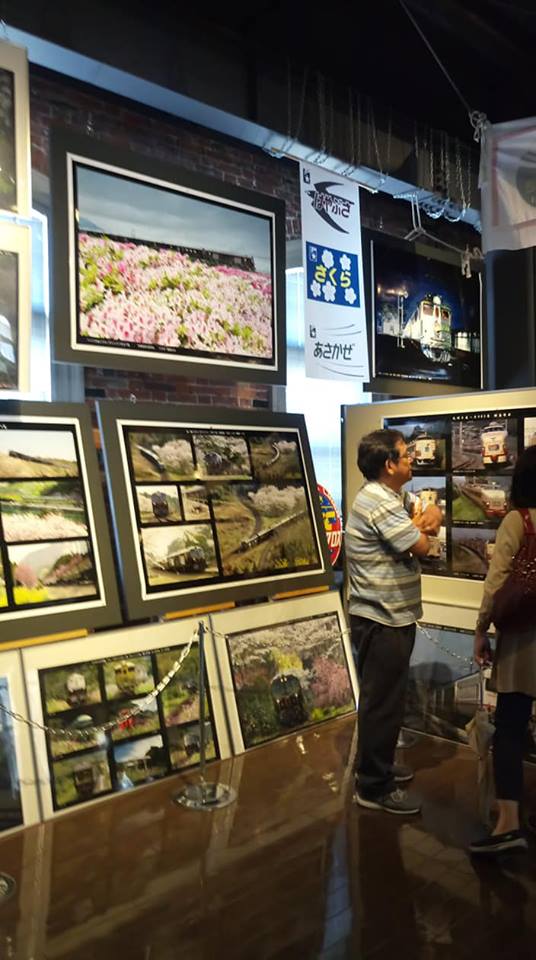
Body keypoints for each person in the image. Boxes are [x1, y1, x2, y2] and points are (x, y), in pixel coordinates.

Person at [345, 428, 442, 815]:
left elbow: (424, 523)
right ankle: (373, 786)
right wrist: (423, 525)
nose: (412, 458)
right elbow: (422, 545)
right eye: (405, 454)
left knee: (387, 699)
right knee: (382, 703)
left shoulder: (390, 497)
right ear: (388, 465)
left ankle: (378, 767)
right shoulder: (378, 501)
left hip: (390, 615)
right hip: (381, 618)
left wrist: (421, 521)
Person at [469, 445, 536, 855]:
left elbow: (496, 583)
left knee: (510, 726)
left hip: (524, 641)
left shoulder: (519, 520)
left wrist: (480, 630)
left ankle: (508, 823)